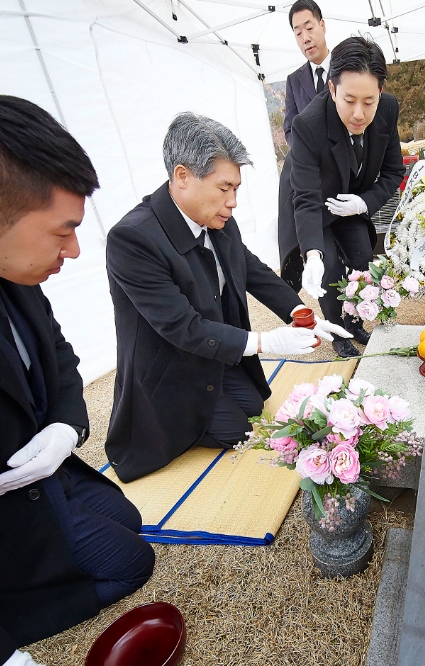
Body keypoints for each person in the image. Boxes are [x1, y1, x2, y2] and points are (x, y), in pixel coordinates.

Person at [0, 95, 154, 666]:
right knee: (132, 563)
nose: (75, 251)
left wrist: (63, 427)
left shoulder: (12, 274)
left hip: (50, 474)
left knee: (129, 521)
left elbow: (60, 359)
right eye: (63, 231)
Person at [104, 113, 349, 483]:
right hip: (171, 369)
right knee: (238, 430)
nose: (233, 202)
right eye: (224, 188)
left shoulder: (216, 217)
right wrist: (267, 342)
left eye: (236, 188)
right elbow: (181, 327)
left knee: (253, 404)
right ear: (183, 176)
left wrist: (300, 311)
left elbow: (250, 268)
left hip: (212, 354)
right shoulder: (133, 239)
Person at [288, 36, 404, 358]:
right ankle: (337, 332)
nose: (359, 114)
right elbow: (306, 198)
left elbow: (394, 171)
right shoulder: (307, 125)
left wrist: (363, 203)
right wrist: (312, 254)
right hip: (315, 199)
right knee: (328, 270)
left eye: (369, 102)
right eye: (349, 100)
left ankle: (354, 323)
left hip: (351, 200)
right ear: (332, 88)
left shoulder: (388, 109)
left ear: (380, 92)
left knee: (361, 256)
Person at [278, 0, 330, 293]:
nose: (305, 38)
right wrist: (308, 155)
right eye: (298, 33)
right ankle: (291, 257)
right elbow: (289, 128)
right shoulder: (294, 80)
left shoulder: (345, 70)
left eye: (309, 28)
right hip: (310, 174)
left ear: (322, 26)